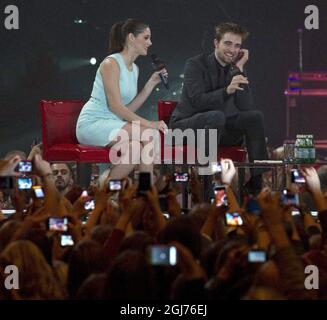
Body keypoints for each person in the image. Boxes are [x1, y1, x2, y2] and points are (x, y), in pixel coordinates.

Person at [169, 22, 268, 193]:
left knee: (254, 117)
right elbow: (197, 101)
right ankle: (205, 185)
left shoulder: (233, 69)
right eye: (228, 43)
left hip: (216, 129)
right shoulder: (195, 64)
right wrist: (226, 90)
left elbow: (245, 106)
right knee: (216, 116)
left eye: (237, 45)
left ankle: (256, 185)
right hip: (186, 129)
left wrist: (240, 68)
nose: (233, 50)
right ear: (216, 43)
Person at [76, 18, 168, 182]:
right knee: (150, 133)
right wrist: (150, 123)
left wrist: (151, 84)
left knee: (135, 149)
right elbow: (116, 107)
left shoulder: (135, 69)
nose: (150, 42)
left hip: (112, 122)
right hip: (93, 123)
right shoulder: (111, 63)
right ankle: (146, 196)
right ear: (131, 38)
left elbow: (127, 109)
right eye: (146, 38)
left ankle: (103, 192)